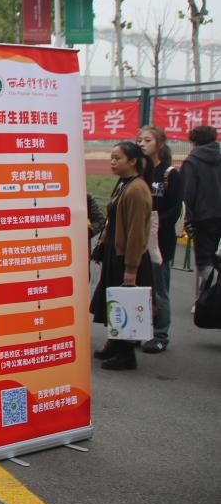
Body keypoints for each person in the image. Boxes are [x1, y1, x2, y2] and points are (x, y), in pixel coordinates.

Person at [91, 142, 154, 372]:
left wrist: (131, 268)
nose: (113, 162)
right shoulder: (123, 184)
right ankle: (115, 343)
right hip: (115, 252)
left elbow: (136, 233)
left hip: (127, 256)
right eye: (111, 157)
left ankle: (126, 354)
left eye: (118, 158)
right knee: (113, 299)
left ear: (133, 161)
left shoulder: (137, 190)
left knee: (125, 302)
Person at [137, 126, 182, 354]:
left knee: (159, 289)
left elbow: (175, 209)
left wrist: (154, 224)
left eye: (148, 140)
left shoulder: (170, 174)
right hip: (139, 240)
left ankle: (160, 335)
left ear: (160, 144)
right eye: (139, 140)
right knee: (140, 286)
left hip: (160, 242)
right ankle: (140, 330)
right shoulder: (140, 173)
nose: (142, 144)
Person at [180, 124, 221, 296]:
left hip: (203, 217)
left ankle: (209, 297)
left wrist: (187, 218)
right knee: (216, 258)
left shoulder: (191, 162)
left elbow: (187, 193)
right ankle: (210, 296)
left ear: (194, 142)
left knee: (204, 260)